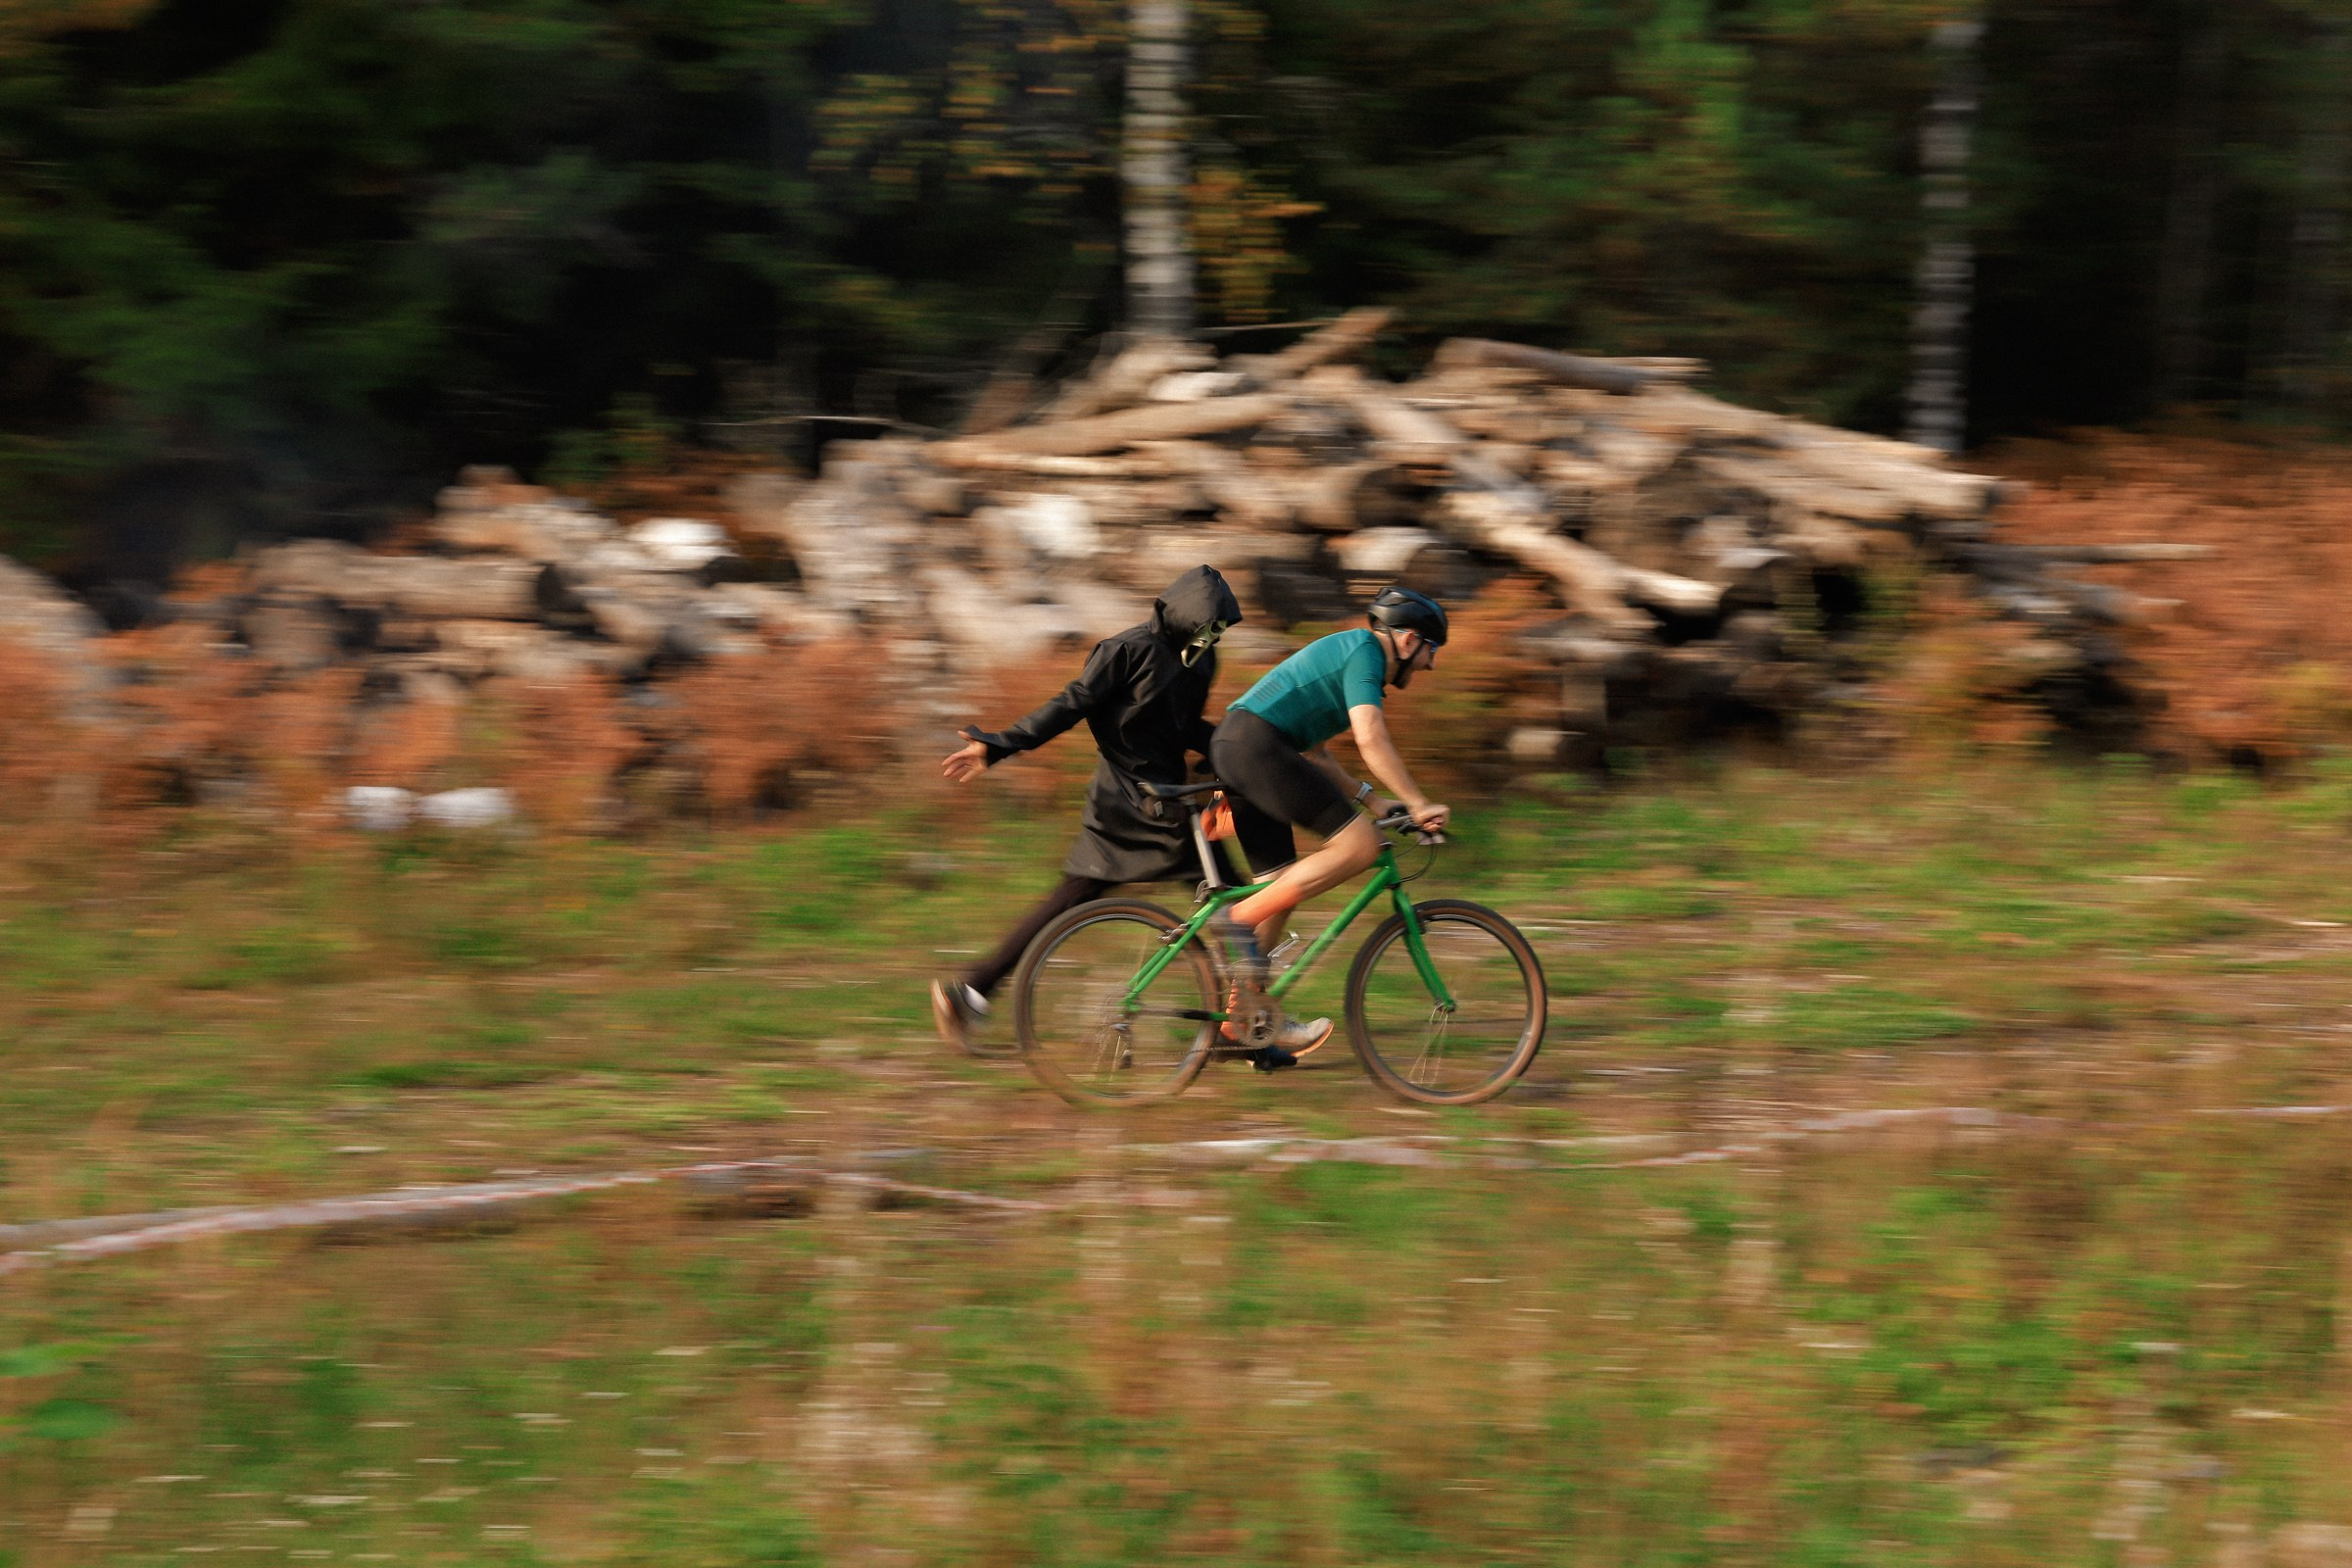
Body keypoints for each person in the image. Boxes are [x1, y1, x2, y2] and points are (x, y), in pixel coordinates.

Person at [931, 564, 1293, 1056]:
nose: (1212, 638)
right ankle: (1246, 1029)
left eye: (1220, 629)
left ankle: (971, 992)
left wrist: (1240, 749)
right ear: (1183, 615)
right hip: (1137, 803)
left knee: (1076, 898)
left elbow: (1183, 728)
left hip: (1158, 800)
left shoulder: (1202, 662)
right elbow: (1070, 704)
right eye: (1208, 627)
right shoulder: (1126, 650)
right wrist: (999, 746)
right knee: (1232, 905)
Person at [1206, 586, 1452, 1069]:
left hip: (1241, 745)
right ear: (1408, 640)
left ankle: (1241, 1025)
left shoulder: (1352, 653)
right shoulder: (1366, 653)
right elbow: (1370, 737)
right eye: (1432, 649)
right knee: (1360, 846)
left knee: (1279, 890)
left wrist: (1375, 801)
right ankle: (1236, 919)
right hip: (1256, 747)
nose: (1431, 664)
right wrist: (1419, 802)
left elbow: (1317, 754)